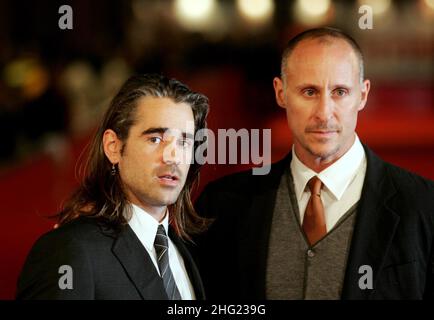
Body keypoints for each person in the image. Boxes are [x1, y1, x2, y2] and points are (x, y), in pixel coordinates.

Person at [195, 27, 434, 300]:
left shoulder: (425, 206)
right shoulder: (222, 205)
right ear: (280, 92)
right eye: (309, 92)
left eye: (340, 92)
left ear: (363, 95)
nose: (323, 113)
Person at [17, 74, 209, 300]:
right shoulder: (69, 249)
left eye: (184, 142)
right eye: (155, 139)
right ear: (113, 147)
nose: (173, 157)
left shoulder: (191, 253)